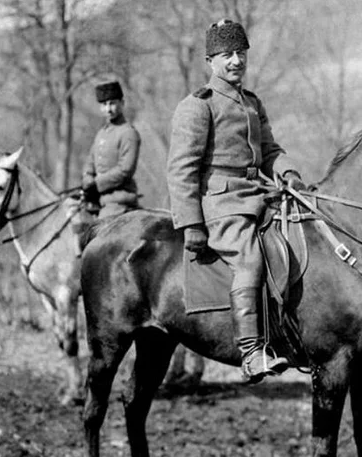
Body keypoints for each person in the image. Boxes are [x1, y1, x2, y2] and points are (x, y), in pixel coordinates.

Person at [167, 19, 306, 383]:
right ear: (209, 60)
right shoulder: (198, 106)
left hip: (258, 197)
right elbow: (181, 169)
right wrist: (191, 224)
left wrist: (289, 173)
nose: (235, 61)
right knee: (250, 257)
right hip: (221, 205)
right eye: (227, 54)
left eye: (240, 53)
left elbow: (271, 150)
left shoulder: (251, 103)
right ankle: (252, 353)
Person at [82, 79, 141, 219]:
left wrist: (97, 184)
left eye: (112, 103)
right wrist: (87, 179)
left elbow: (125, 170)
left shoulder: (128, 133)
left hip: (118, 203)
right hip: (98, 201)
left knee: (98, 237)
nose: (108, 109)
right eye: (104, 104)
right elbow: (90, 163)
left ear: (122, 103)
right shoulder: (101, 133)